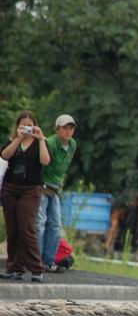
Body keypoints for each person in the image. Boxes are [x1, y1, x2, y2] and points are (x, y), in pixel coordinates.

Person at [0, 110, 51, 282]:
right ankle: (15, 267)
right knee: (12, 229)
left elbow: (45, 161)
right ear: (18, 126)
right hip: (10, 188)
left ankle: (37, 268)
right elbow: (4, 155)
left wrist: (41, 138)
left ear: (35, 126)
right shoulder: (13, 141)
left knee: (27, 228)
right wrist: (18, 138)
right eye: (23, 126)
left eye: (30, 126)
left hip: (31, 190)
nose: (27, 129)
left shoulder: (39, 143)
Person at [37, 114, 77, 272]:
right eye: (64, 128)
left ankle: (49, 260)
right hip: (42, 185)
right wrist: (40, 185)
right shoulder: (50, 143)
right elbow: (41, 164)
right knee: (40, 223)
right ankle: (36, 260)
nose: (68, 131)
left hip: (55, 187)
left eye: (71, 128)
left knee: (55, 225)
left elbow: (62, 169)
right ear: (57, 129)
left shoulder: (72, 145)